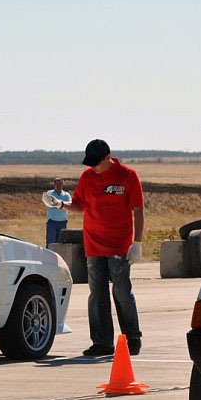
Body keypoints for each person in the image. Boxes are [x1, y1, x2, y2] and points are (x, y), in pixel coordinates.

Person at [56, 139, 144, 357]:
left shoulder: (128, 175)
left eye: (97, 163)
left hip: (120, 245)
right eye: (90, 163)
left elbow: (138, 210)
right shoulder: (87, 177)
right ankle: (102, 342)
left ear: (108, 157)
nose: (93, 167)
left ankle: (132, 338)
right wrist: (60, 204)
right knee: (97, 294)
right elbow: (79, 205)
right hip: (93, 245)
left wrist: (138, 243)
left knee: (122, 292)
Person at [44, 178, 72, 247]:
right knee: (50, 242)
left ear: (63, 185)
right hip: (52, 222)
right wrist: (62, 205)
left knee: (61, 243)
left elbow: (69, 205)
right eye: (57, 184)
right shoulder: (49, 193)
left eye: (60, 184)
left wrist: (56, 205)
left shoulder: (66, 195)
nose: (58, 185)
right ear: (54, 185)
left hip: (62, 222)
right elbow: (48, 203)